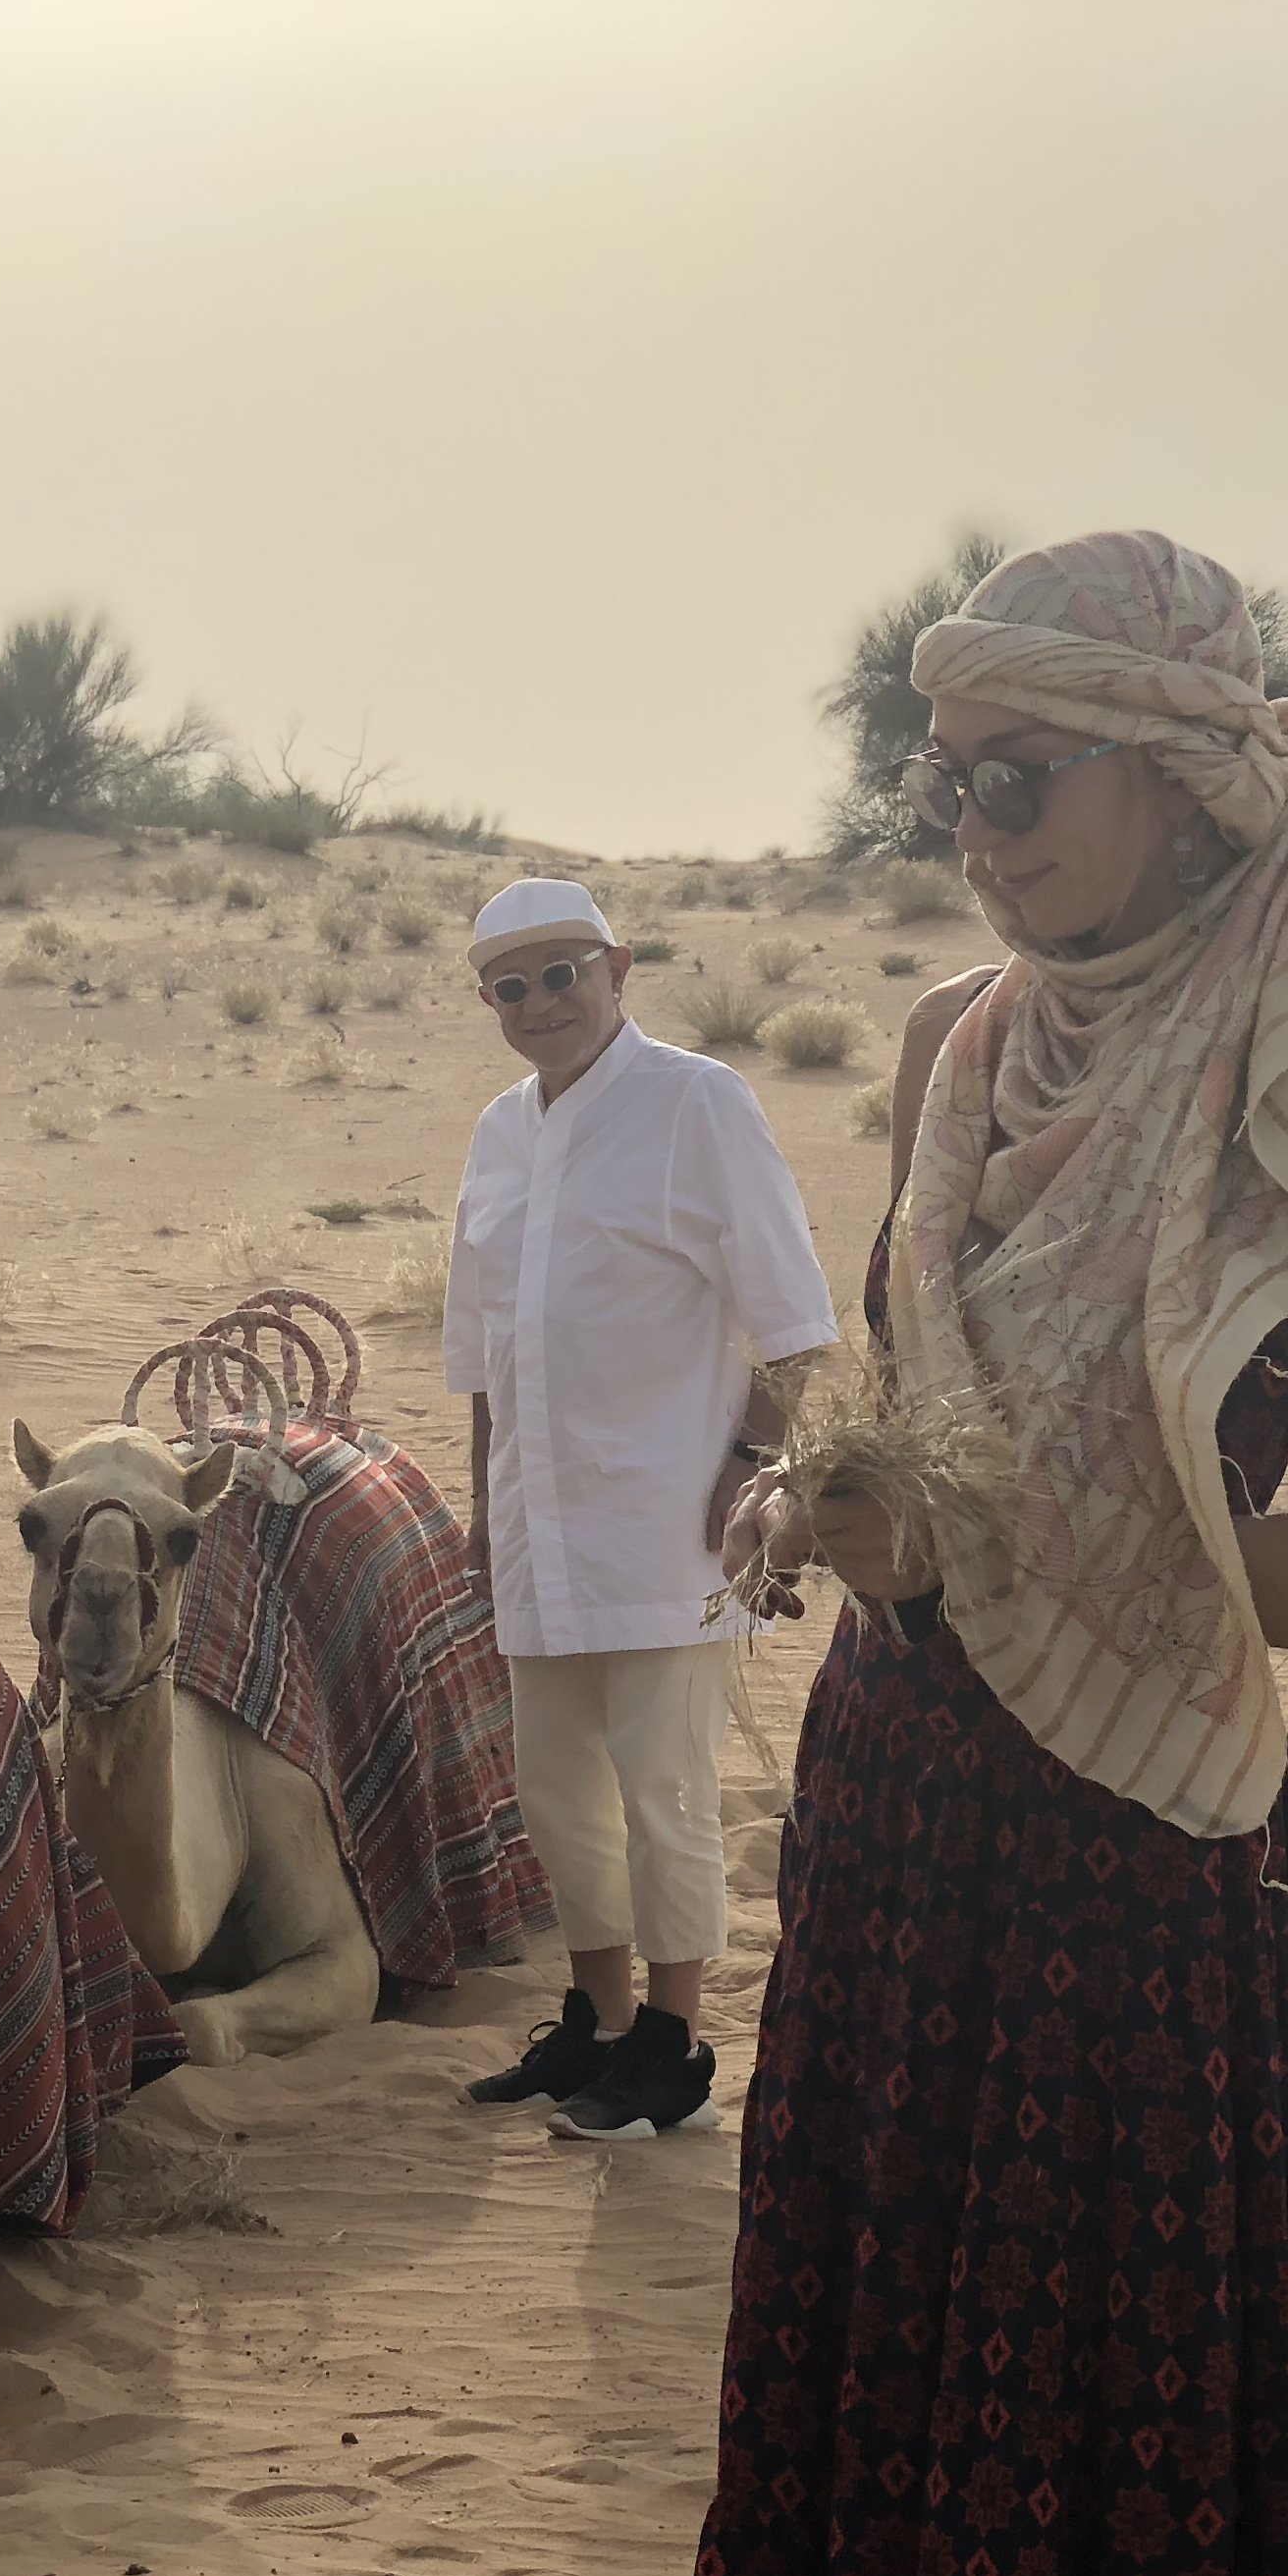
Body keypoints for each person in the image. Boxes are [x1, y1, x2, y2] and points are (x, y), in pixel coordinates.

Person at [649, 534, 1288, 2576]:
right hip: (899, 1864)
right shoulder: (956, 1040)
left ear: (1191, 771)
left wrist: (999, 1565)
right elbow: (913, 1423)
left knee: (1129, 2506)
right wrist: (824, 1491)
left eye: (1021, 775)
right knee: (878, 2460)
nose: (974, 828)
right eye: (945, 782)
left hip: (1141, 1894)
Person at [444, 876, 838, 2141]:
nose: (542, 1003)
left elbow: (791, 1319)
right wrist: (480, 1510)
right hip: (535, 1528)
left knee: (664, 1789)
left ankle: (672, 2045)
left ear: (620, 966)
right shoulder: (500, 1133)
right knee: (556, 1791)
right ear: (488, 1003)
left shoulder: (697, 1104)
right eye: (512, 985)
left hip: (669, 1515)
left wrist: (746, 1467)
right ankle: (597, 2025)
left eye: (564, 973)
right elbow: (486, 1355)